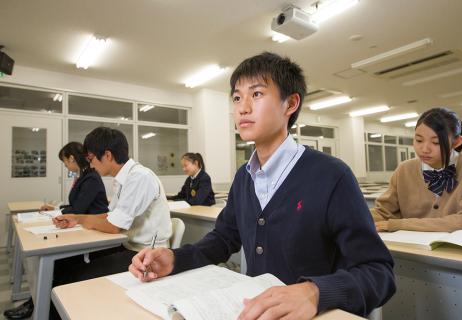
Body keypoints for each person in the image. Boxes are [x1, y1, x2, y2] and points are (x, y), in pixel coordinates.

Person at [129, 52, 395, 319]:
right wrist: (175, 259)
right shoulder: (244, 177)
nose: (243, 107)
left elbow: (378, 271)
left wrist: (315, 292)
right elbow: (222, 239)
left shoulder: (331, 175)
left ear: (290, 103)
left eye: (256, 94)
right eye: (236, 97)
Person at [50, 127, 172, 319]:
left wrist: (80, 218)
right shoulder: (122, 178)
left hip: (144, 255)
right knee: (63, 264)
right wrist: (77, 219)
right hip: (127, 246)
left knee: (73, 278)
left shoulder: (140, 176)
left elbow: (114, 226)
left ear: (107, 155)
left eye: (91, 159)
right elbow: (110, 216)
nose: (90, 165)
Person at [3, 142, 109, 320]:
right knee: (52, 259)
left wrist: (59, 211)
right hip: (83, 227)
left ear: (72, 158)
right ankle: (36, 302)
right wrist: (56, 209)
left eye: (65, 161)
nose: (65, 165)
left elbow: (79, 208)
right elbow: (75, 207)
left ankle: (39, 304)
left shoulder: (90, 178)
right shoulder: (83, 176)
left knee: (58, 262)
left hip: (94, 231)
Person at [372, 107, 462, 233]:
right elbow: (383, 213)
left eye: (436, 142)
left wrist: (399, 224)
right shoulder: (404, 170)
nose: (424, 149)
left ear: (456, 142)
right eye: (419, 140)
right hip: (412, 249)